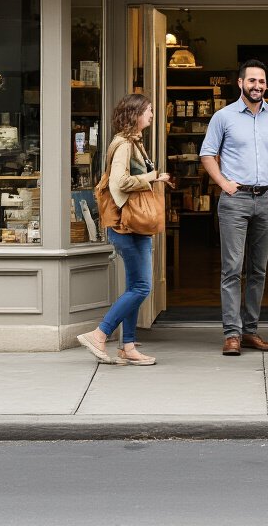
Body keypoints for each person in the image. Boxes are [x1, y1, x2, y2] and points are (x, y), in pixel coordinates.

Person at [200, 59, 268, 356]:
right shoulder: (223, 116)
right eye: (252, 80)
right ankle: (232, 334)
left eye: (262, 81)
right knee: (232, 268)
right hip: (235, 200)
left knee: (258, 269)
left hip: (267, 199)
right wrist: (223, 183)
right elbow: (207, 154)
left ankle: (250, 331)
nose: (257, 86)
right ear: (240, 83)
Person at [77, 93, 170, 366]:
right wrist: (152, 176)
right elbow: (119, 182)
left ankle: (128, 346)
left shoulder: (134, 143)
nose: (151, 115)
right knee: (142, 287)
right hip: (126, 225)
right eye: (148, 110)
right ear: (136, 114)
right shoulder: (124, 145)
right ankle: (99, 334)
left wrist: (155, 178)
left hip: (135, 226)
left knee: (134, 287)